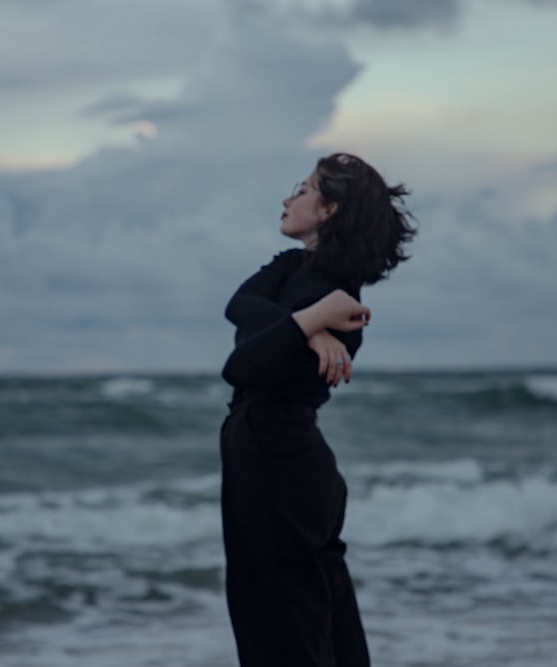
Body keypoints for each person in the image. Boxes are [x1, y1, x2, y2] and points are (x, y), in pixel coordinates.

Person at [220, 152, 416, 666]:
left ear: (329, 209)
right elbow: (238, 306)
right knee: (305, 615)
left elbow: (242, 367)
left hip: (283, 462)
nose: (288, 198)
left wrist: (311, 322)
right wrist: (308, 324)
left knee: (287, 622)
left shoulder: (344, 303)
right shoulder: (295, 274)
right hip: (267, 456)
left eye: (303, 189)